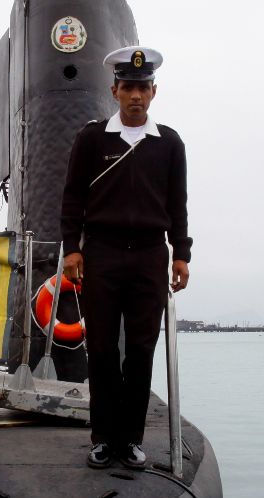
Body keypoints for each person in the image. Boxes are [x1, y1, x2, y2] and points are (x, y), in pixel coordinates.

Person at [59, 45, 191, 470]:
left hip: (151, 256)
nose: (136, 95)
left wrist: (181, 253)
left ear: (154, 92)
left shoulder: (169, 144)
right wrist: (72, 249)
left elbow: (177, 203)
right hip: (103, 254)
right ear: (115, 90)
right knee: (99, 350)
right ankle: (103, 437)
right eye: (128, 87)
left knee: (139, 350)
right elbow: (73, 198)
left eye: (143, 88)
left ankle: (131, 439)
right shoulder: (92, 139)